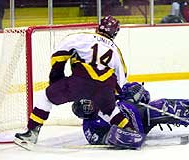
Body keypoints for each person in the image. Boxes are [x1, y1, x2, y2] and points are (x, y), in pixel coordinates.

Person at [14, 15, 137, 146]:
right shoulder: (115, 50)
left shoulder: (82, 37)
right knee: (110, 110)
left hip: (80, 82)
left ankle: (31, 133)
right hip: (104, 86)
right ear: (115, 33)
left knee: (46, 97)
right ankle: (130, 131)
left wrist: (57, 74)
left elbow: (59, 54)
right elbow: (121, 77)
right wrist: (112, 95)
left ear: (98, 27)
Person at [72, 82, 189, 149]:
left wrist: (131, 94)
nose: (91, 107)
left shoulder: (103, 100)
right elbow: (100, 139)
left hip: (138, 117)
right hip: (131, 127)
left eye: (89, 103)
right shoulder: (89, 126)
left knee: (160, 106)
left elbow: (126, 94)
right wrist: (115, 136)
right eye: (87, 108)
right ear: (84, 115)